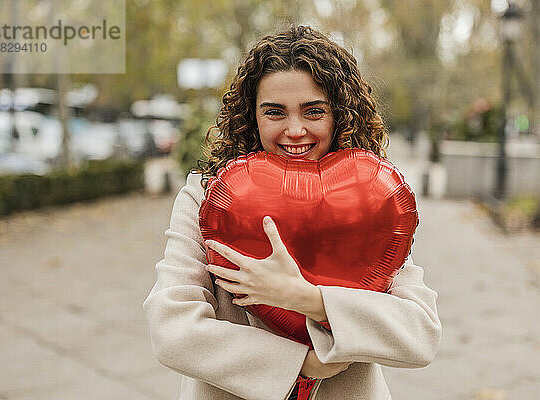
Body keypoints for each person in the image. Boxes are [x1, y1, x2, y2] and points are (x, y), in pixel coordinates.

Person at [143, 25, 442, 400]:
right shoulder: (206, 196)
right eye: (275, 112)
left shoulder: (372, 201)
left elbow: (420, 334)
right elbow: (170, 327)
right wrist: (298, 361)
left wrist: (306, 298)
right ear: (252, 116)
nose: (295, 130)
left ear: (340, 116)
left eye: (313, 111)